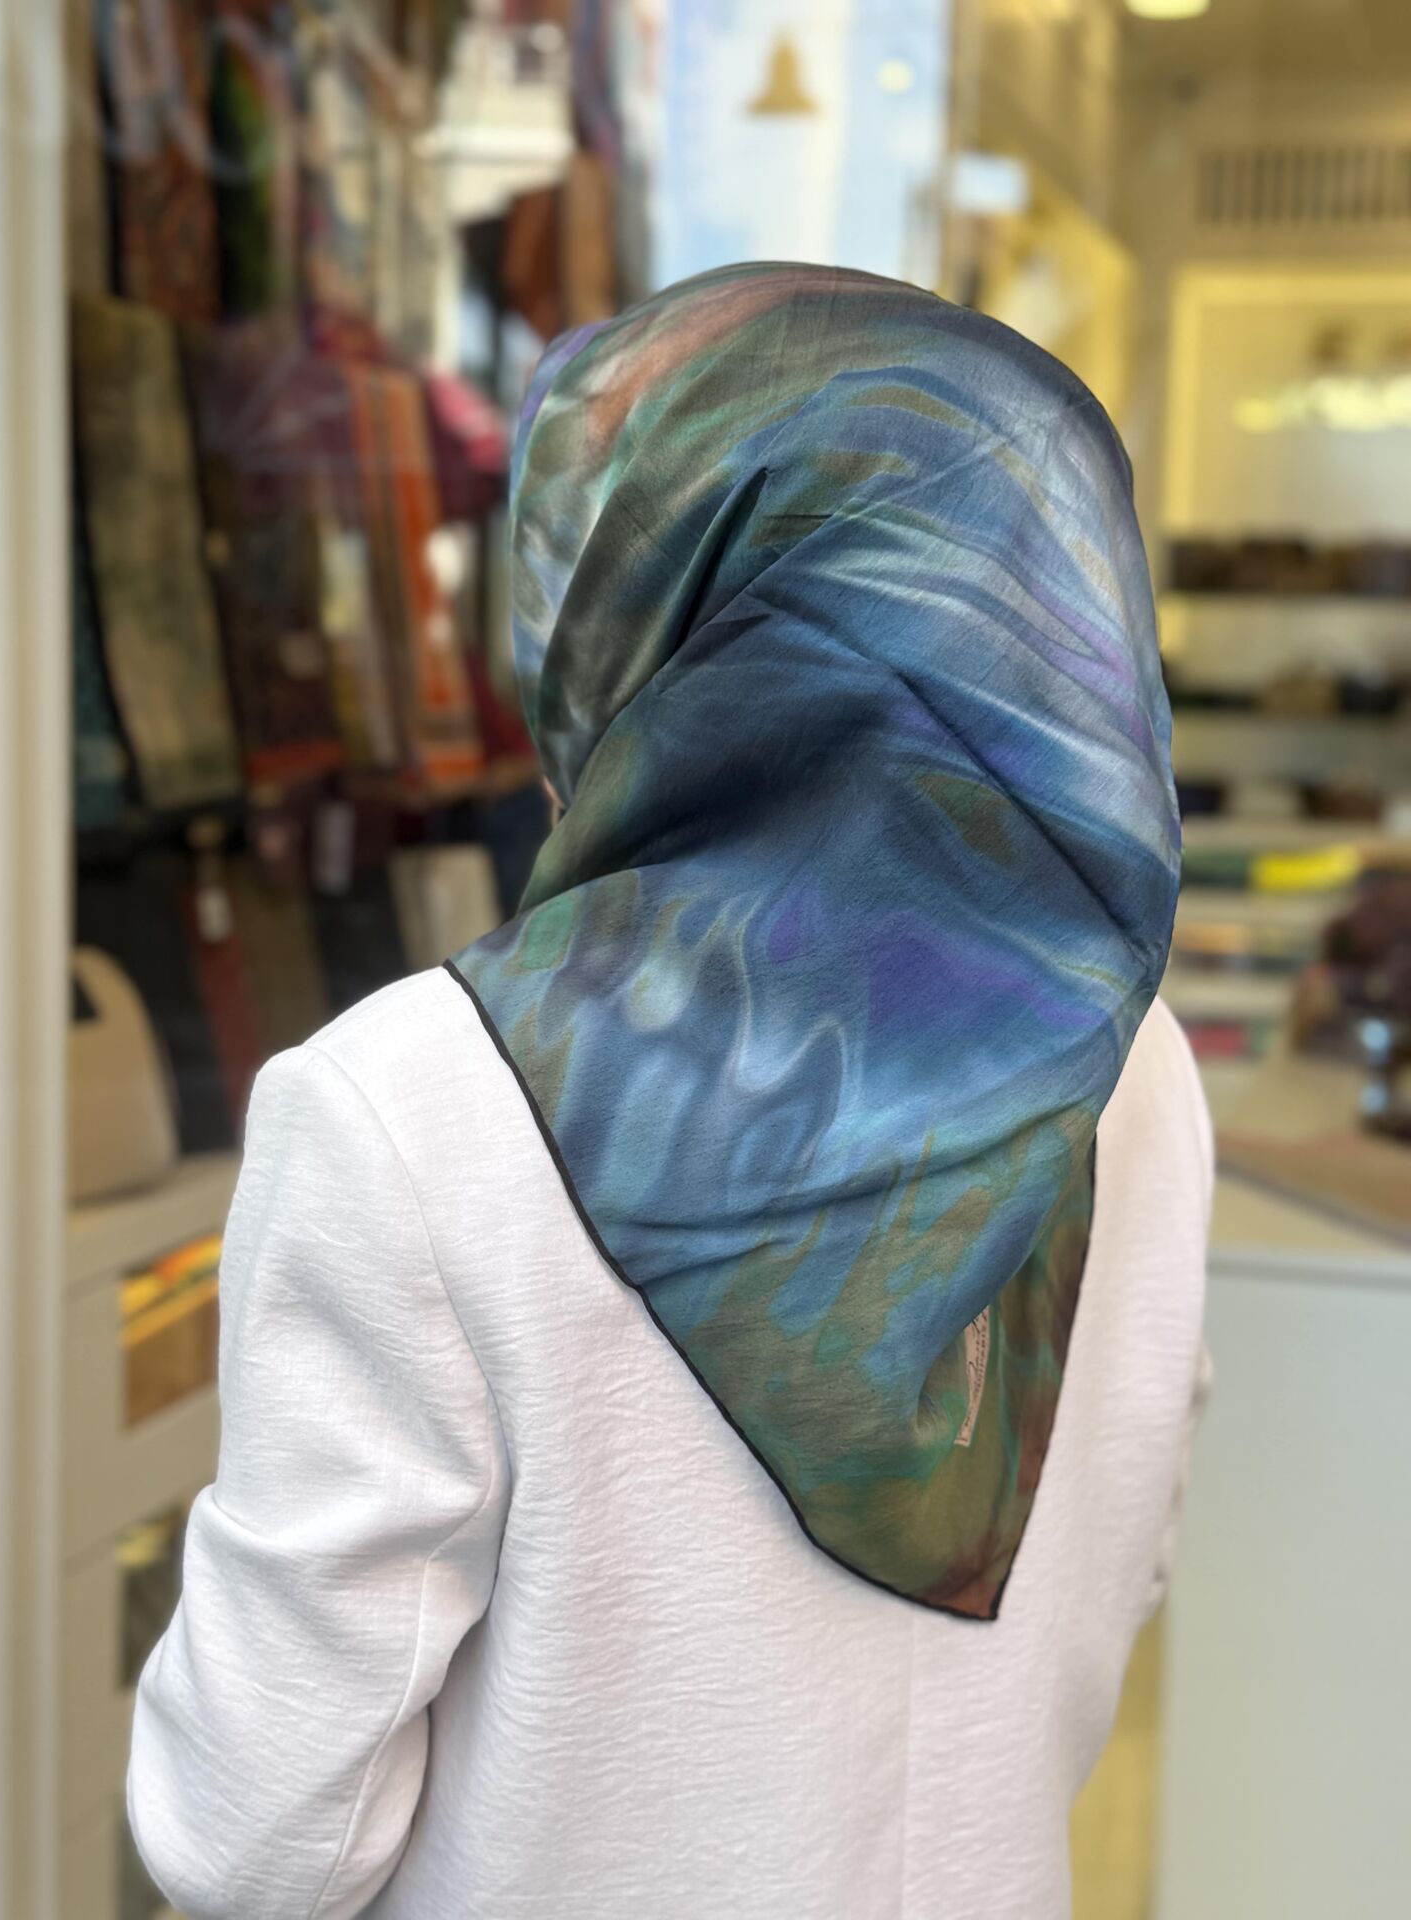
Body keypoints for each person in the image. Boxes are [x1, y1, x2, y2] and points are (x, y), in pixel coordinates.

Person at [129, 263, 1211, 1919]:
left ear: (639, 610)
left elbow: (255, 1839)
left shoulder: (414, 1103)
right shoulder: (1131, 1065)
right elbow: (1118, 1572)